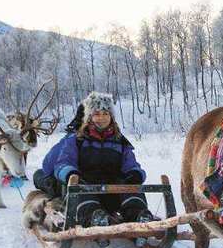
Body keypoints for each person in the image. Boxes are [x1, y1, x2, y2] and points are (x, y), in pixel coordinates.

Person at [33, 91, 153, 230]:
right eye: (97, 114)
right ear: (89, 117)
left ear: (111, 117)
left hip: (112, 192)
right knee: (81, 189)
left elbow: (131, 164)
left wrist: (135, 173)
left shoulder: (120, 142)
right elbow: (62, 163)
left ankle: (138, 215)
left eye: (105, 114)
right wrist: (69, 173)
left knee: (131, 186)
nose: (101, 118)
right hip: (85, 189)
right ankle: (94, 217)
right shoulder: (76, 139)